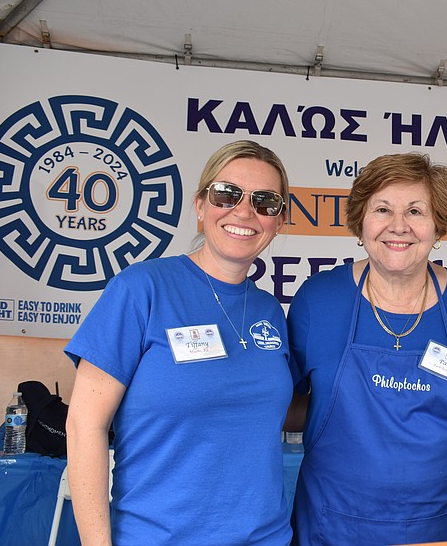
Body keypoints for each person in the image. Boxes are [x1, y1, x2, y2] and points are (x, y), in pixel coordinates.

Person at [65, 140, 299, 545]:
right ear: (200, 206)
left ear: (278, 221)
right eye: (227, 194)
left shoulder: (270, 311)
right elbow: (85, 424)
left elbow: (277, 413)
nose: (244, 211)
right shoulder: (141, 290)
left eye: (265, 202)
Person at [288, 152, 447, 545]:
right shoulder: (317, 300)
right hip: (334, 526)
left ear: (438, 225)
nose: (398, 226)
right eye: (382, 209)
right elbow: (285, 406)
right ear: (360, 222)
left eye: (416, 211)